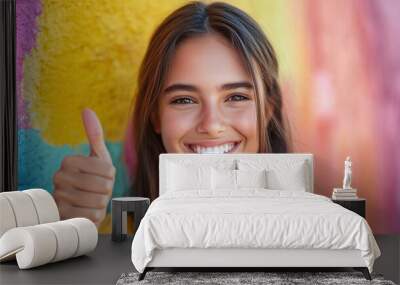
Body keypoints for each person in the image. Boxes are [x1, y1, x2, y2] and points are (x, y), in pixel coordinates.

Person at [52, 1, 292, 229]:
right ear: (155, 116)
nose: (211, 125)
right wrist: (70, 230)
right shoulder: (124, 230)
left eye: (236, 97)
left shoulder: (312, 227)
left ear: (268, 109)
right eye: (184, 100)